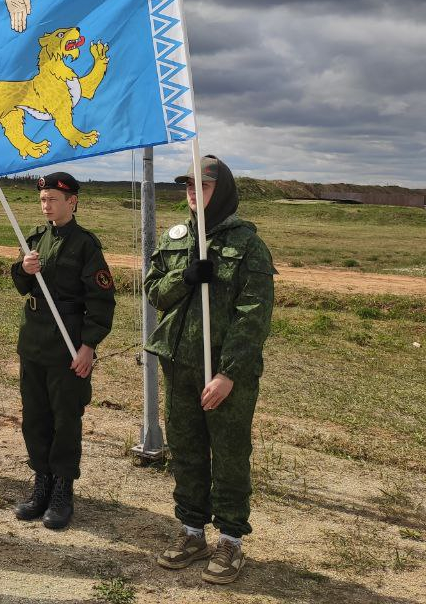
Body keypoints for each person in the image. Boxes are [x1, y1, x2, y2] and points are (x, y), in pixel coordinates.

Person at [145, 155, 275, 585]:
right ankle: (191, 531)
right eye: (187, 185)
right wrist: (185, 277)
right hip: (179, 365)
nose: (191, 192)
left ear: (224, 190)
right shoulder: (176, 238)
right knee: (185, 450)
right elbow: (155, 293)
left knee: (230, 455)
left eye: (202, 185)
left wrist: (228, 373)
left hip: (224, 375)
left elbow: (252, 316)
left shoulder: (248, 245)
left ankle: (232, 540)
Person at [9, 172, 115, 530]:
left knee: (65, 418)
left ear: (72, 202)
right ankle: (42, 483)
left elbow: (101, 301)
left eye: (53, 199)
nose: (46, 205)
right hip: (34, 340)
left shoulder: (86, 245)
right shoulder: (36, 239)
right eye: (42, 200)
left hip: (68, 343)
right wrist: (23, 269)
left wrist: (88, 347)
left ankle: (63, 490)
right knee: (35, 416)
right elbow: (22, 285)